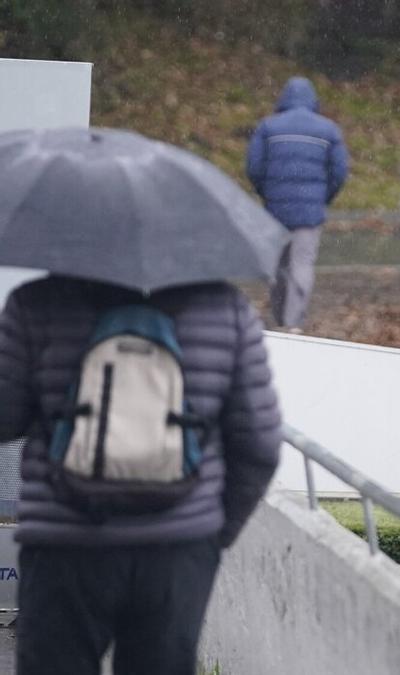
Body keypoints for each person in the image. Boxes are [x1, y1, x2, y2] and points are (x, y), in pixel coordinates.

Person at [0, 277, 283, 674]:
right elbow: (260, 445)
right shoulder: (225, 308)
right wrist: (215, 533)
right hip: (178, 548)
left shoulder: (35, 303)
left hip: (64, 544)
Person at [246, 75, 350, 332]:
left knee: (278, 265)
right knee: (302, 264)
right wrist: (323, 197)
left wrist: (266, 193)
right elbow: (339, 171)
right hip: (310, 212)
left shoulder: (268, 127)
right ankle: (294, 323)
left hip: (275, 210)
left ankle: (279, 315)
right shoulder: (328, 130)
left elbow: (253, 167)